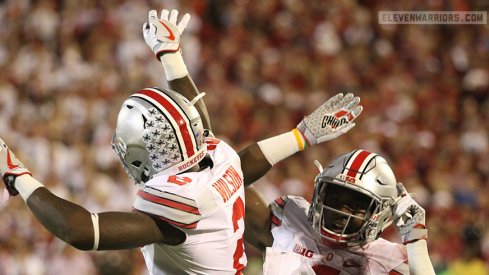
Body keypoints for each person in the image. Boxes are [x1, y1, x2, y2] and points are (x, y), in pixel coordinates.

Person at [0, 9, 363, 275]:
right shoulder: (218, 158)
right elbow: (236, 150)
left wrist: (17, 175)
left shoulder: (175, 201)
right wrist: (302, 135)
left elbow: (81, 230)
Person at [244, 149, 436, 274]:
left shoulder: (391, 260)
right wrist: (297, 137)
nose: (341, 212)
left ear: (379, 214)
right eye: (334, 200)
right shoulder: (292, 220)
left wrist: (416, 241)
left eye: (356, 206)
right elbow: (228, 182)